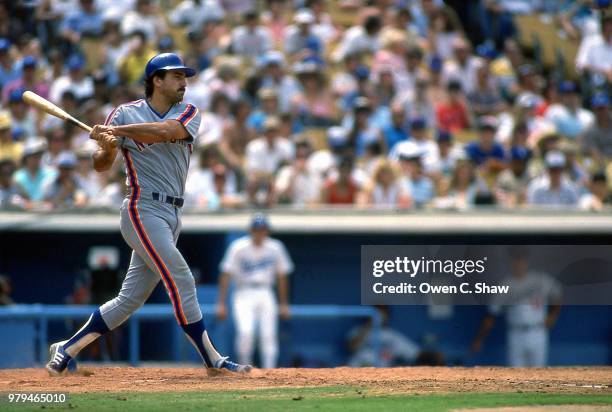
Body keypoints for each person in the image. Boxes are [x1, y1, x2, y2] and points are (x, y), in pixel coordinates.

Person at [45, 53, 250, 375]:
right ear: (157, 79)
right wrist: (109, 146)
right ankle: (213, 360)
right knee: (181, 277)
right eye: (177, 76)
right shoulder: (124, 112)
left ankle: (67, 348)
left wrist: (118, 131)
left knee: (130, 299)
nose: (184, 82)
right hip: (143, 208)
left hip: (173, 212)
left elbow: (166, 131)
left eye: (185, 76)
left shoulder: (188, 111)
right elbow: (101, 165)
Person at [216, 214, 293, 369]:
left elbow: (282, 276)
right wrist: (221, 303)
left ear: (267, 231)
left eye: (262, 229)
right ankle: (245, 369)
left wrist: (284, 303)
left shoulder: (276, 247)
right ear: (251, 230)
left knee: (268, 334)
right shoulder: (238, 247)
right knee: (246, 332)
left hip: (266, 291)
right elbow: (225, 274)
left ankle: (269, 371)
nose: (259, 233)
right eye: (257, 229)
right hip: (243, 292)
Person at [471, 247, 562, 367]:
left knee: (540, 374)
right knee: (516, 375)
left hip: (537, 330)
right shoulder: (505, 285)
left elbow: (557, 295)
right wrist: (479, 339)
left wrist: (553, 316)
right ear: (510, 262)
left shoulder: (540, 279)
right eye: (515, 260)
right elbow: (492, 314)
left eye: (521, 260)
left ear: (527, 261)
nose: (519, 263)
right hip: (515, 333)